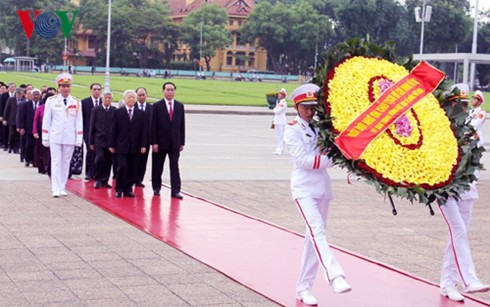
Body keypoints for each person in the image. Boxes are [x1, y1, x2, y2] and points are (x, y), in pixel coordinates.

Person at [284, 83, 351, 306]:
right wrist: (330, 159)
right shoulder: (292, 128)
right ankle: (335, 276)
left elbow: (326, 150)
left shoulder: (319, 127)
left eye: (313, 107)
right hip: (303, 188)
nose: (310, 112)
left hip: (322, 187)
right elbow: (301, 161)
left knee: (312, 239)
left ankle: (304, 287)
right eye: (306, 108)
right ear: (297, 107)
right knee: (317, 231)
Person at [439, 84, 489, 302]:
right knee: (458, 230)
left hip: (468, 187)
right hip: (446, 189)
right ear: (451, 104)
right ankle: (470, 279)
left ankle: (448, 283)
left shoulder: (472, 124)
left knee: (458, 236)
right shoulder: (443, 127)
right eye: (459, 103)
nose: (463, 107)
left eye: (466, 103)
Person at [42, 73, 83, 197]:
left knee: (66, 162)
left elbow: (79, 121)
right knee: (56, 162)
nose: (65, 88)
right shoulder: (52, 101)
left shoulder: (76, 102)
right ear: (59, 87)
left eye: (67, 86)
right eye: (63, 86)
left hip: (70, 136)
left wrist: (79, 138)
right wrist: (45, 136)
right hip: (55, 135)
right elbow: (47, 119)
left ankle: (62, 186)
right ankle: (55, 188)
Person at [109, 89, 147, 198]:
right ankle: (119, 188)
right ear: (124, 99)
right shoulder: (118, 112)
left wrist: (144, 145)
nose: (131, 99)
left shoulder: (141, 114)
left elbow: (144, 131)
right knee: (122, 166)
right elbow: (113, 129)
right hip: (121, 146)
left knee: (132, 168)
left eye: (133, 97)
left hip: (135, 146)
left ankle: (128, 189)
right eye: (129, 97)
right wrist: (111, 144)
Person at [151, 81, 185, 199]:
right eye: (168, 90)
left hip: (174, 143)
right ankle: (156, 187)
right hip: (160, 143)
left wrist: (182, 142)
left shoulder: (179, 106)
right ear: (163, 91)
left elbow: (182, 125)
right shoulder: (156, 106)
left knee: (174, 167)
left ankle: (175, 190)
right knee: (157, 166)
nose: (170, 92)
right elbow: (153, 126)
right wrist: (154, 142)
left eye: (172, 90)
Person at [89, 91, 116, 189]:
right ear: (102, 99)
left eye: (109, 98)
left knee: (108, 160)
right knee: (99, 158)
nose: (107, 100)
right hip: (99, 139)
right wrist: (91, 142)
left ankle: (105, 180)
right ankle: (97, 179)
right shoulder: (96, 110)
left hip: (110, 140)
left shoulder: (114, 110)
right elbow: (92, 126)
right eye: (106, 98)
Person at [81, 83, 103, 181]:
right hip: (88, 133)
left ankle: (98, 173)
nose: (97, 91)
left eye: (98, 89)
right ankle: (89, 173)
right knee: (90, 152)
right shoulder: (84, 102)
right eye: (95, 89)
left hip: (100, 134)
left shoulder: (103, 102)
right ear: (91, 90)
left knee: (100, 154)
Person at [134, 87, 152, 187]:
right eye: (139, 95)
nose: (141, 97)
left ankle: (139, 179)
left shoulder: (151, 108)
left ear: (146, 95)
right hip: (134, 139)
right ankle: (132, 177)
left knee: (143, 161)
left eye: (143, 95)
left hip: (146, 139)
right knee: (133, 160)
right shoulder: (133, 106)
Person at [18, 88, 41, 167]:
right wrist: (21, 127)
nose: (36, 97)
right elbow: (22, 117)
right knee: (29, 145)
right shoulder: (26, 105)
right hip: (28, 128)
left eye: (37, 95)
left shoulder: (42, 104)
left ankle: (35, 160)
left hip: (39, 129)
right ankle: (28, 159)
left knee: (37, 146)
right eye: (34, 95)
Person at [33, 92, 53, 175]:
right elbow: (35, 120)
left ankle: (49, 167)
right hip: (41, 132)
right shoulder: (40, 108)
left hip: (52, 132)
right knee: (41, 151)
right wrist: (34, 132)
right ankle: (42, 166)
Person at [2, 87, 25, 154]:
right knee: (12, 134)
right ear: (16, 94)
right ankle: (10, 146)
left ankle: (16, 148)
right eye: (18, 94)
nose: (19, 95)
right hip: (11, 120)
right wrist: (5, 119)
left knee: (18, 135)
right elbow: (6, 109)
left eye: (21, 94)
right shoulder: (11, 99)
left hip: (20, 121)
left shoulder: (24, 100)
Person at [272, 88, 288, 155]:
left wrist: (275, 109)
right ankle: (278, 148)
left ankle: (281, 149)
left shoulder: (283, 103)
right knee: (278, 136)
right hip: (277, 121)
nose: (279, 95)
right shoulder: (279, 102)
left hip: (281, 121)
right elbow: (276, 111)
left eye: (280, 94)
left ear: (283, 95)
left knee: (281, 136)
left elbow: (277, 111)